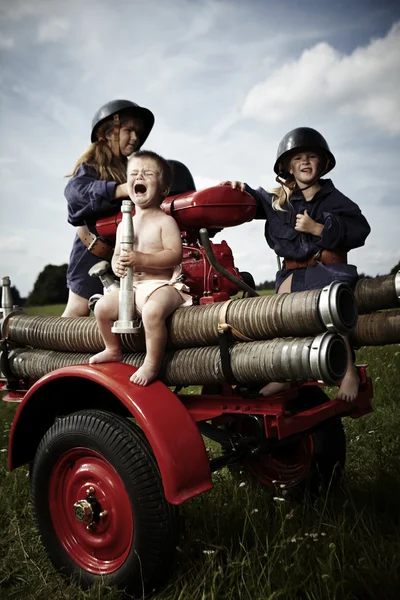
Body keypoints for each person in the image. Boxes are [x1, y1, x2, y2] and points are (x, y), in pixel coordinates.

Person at [220, 127, 371, 402]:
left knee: (332, 317)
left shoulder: (336, 200)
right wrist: (241, 189)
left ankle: (346, 371)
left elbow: (360, 230)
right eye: (298, 158)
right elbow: (255, 199)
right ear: (288, 166)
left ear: (323, 163)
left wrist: (318, 229)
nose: (305, 162)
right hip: (291, 274)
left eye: (311, 156)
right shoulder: (280, 200)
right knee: (281, 321)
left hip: (327, 271)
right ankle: (285, 375)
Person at [89, 150, 192, 386]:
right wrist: (118, 264)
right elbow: (118, 259)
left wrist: (140, 258)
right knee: (102, 308)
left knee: (152, 312)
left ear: (164, 189)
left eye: (147, 173)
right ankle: (112, 348)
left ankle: (152, 363)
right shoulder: (125, 224)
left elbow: (174, 255)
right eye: (134, 173)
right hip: (133, 287)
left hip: (163, 286)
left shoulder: (165, 221)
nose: (140, 177)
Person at [62, 99, 155, 317]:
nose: (135, 138)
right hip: (93, 253)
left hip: (127, 255)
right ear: (108, 132)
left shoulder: (133, 168)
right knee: (77, 312)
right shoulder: (91, 167)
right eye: (129, 130)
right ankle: (44, 350)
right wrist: (120, 189)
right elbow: (75, 194)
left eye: (138, 133)